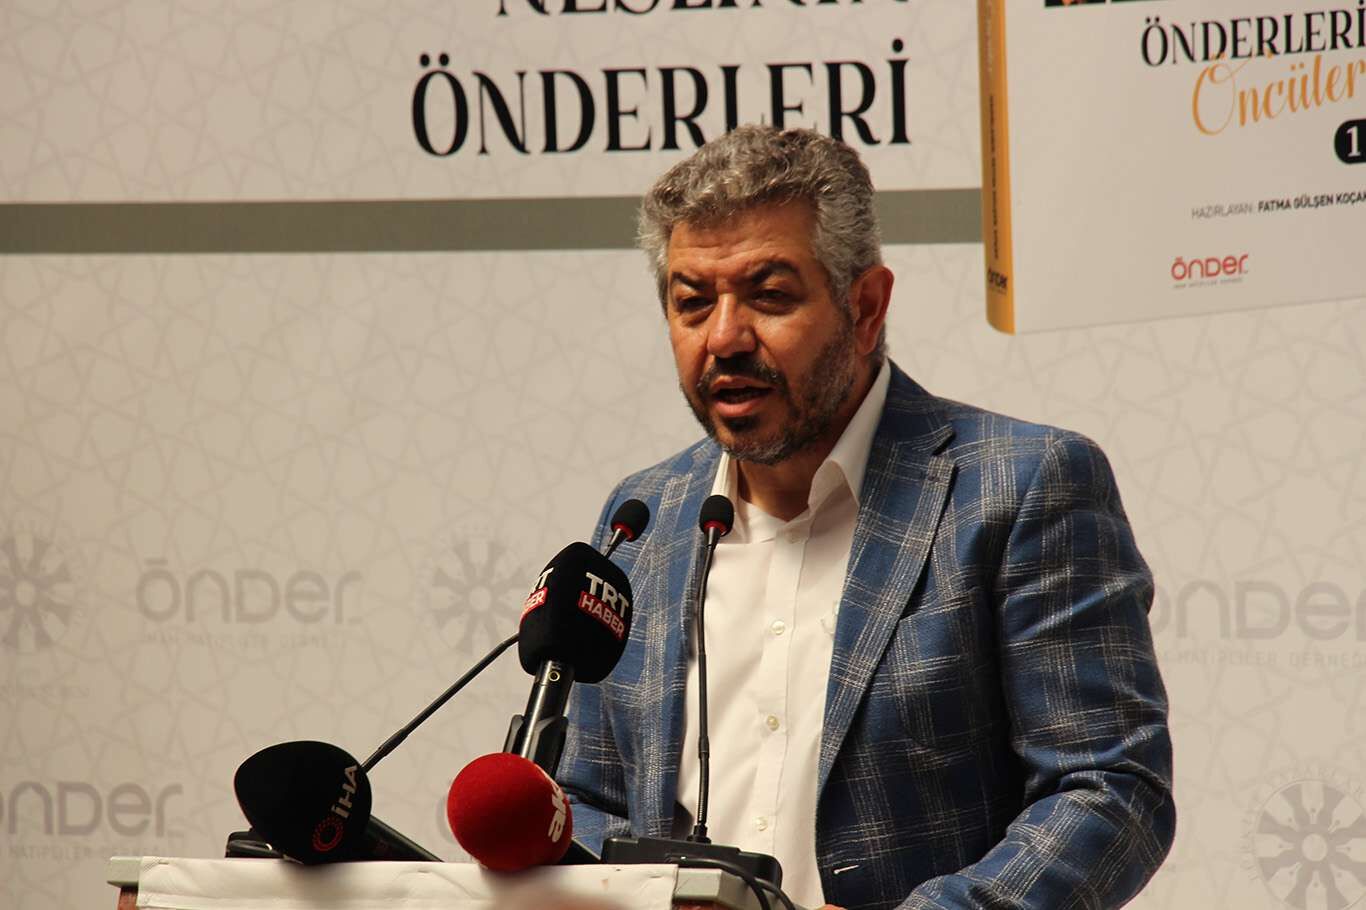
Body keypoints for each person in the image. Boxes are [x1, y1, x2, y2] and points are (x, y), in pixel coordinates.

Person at [558, 125, 1174, 910]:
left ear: (866, 306)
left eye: (769, 296)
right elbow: (591, 795)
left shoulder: (1020, 488)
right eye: (692, 303)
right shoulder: (644, 517)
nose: (724, 337)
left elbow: (1110, 790)